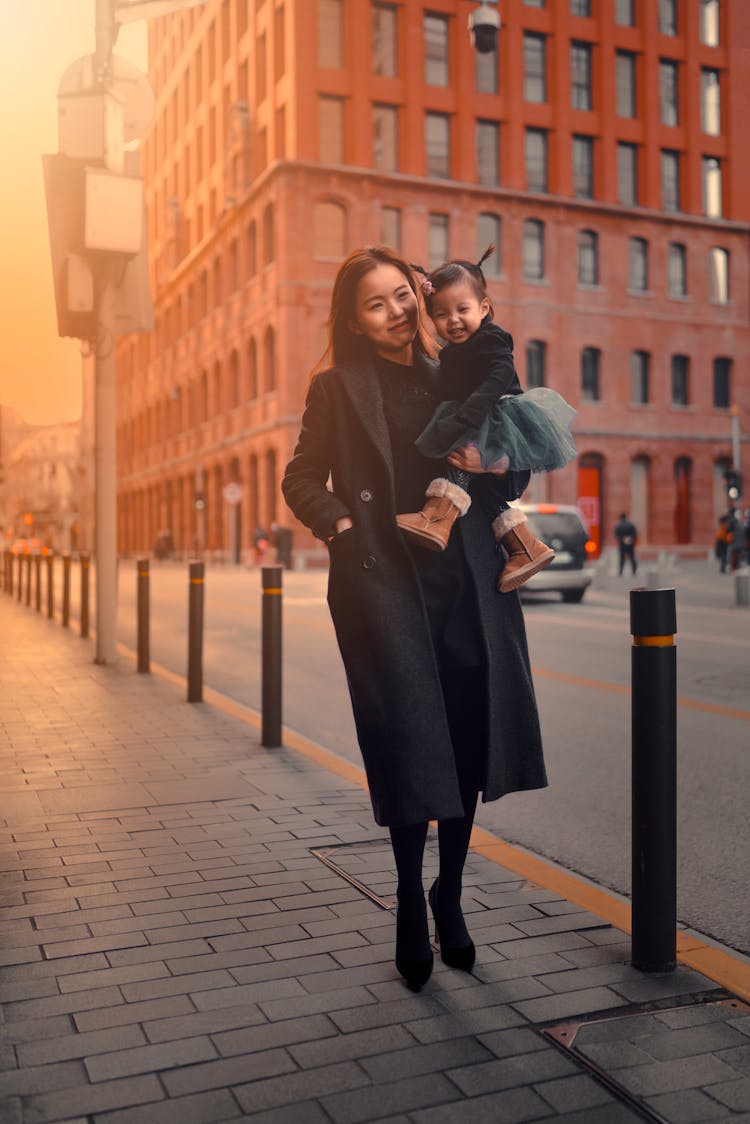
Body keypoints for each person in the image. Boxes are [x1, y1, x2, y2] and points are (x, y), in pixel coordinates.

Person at [282, 246, 546, 991]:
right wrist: (341, 528)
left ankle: (449, 893)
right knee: (408, 743)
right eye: (376, 303)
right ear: (356, 322)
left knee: (465, 742)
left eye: (403, 293)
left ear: (421, 294)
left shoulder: (458, 365)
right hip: (388, 586)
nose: (397, 310)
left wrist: (503, 468)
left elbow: (511, 455)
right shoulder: (337, 387)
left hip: (467, 582)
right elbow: (301, 478)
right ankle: (406, 896)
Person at [395, 247, 577, 592]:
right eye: (441, 314)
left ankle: (438, 515)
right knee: (478, 482)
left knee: (458, 454)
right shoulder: (450, 353)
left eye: (462, 310)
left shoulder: (491, 338)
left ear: (484, 308)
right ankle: (525, 546)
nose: (453, 320)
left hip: (495, 413)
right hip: (477, 413)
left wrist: (470, 413)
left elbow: (500, 373)